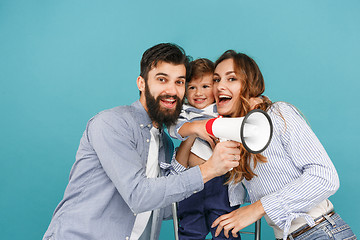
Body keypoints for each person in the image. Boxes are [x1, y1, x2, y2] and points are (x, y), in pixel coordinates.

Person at [42, 43, 242, 240]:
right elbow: (139, 196)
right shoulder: (112, 123)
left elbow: (163, 207)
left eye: (179, 82)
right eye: (162, 79)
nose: (172, 91)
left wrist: (229, 195)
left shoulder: (165, 142)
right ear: (141, 83)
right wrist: (209, 170)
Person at [204, 50, 356, 240]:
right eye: (216, 80)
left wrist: (257, 209)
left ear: (249, 85)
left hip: (319, 231)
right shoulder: (235, 134)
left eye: (231, 79)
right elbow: (246, 193)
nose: (219, 87)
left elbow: (325, 177)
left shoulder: (278, 114)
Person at [168, 58, 241, 240]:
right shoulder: (184, 112)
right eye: (192, 87)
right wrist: (195, 128)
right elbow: (175, 129)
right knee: (190, 228)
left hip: (220, 182)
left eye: (205, 86)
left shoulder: (223, 108)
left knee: (225, 228)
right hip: (191, 181)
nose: (198, 93)